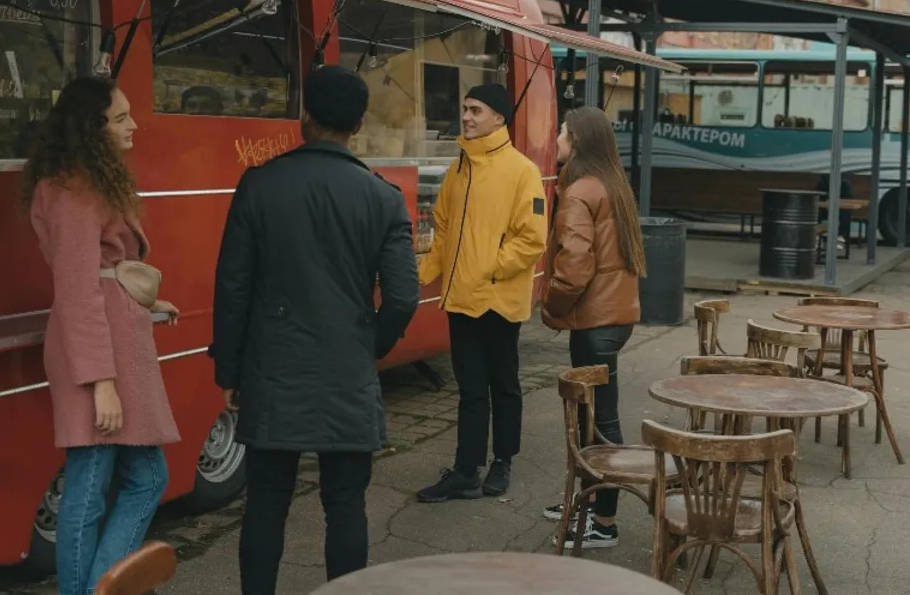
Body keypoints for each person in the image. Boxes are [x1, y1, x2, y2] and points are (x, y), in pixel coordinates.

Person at [209, 65, 420, 595]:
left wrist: (230, 370)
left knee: (265, 504)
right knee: (345, 505)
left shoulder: (259, 184)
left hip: (274, 367)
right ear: (359, 124)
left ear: (305, 117)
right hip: (347, 369)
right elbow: (403, 296)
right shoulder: (383, 198)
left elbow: (233, 287)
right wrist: (369, 346)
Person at [22, 76, 180, 595]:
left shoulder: (80, 181)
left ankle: (99, 589)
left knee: (136, 478)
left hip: (111, 340)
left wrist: (145, 302)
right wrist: (101, 382)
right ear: (92, 129)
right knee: (94, 486)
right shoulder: (75, 190)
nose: (133, 125)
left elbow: (100, 273)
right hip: (98, 353)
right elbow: (77, 288)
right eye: (120, 118)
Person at [416, 82, 548, 503]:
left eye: (476, 110)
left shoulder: (522, 170)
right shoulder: (459, 167)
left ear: (498, 117)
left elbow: (532, 238)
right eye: (466, 108)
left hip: (497, 299)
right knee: (471, 389)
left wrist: (489, 270)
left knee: (503, 384)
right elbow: (443, 228)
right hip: (460, 298)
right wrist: (421, 273)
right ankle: (466, 470)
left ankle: (503, 461)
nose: (467, 117)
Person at [539, 106, 645, 550]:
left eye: (563, 132)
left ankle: (603, 522)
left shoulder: (581, 190)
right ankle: (584, 504)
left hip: (595, 322)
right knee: (592, 419)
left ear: (578, 140)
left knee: (597, 424)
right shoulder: (611, 183)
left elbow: (574, 267)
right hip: (613, 317)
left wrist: (550, 306)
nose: (557, 138)